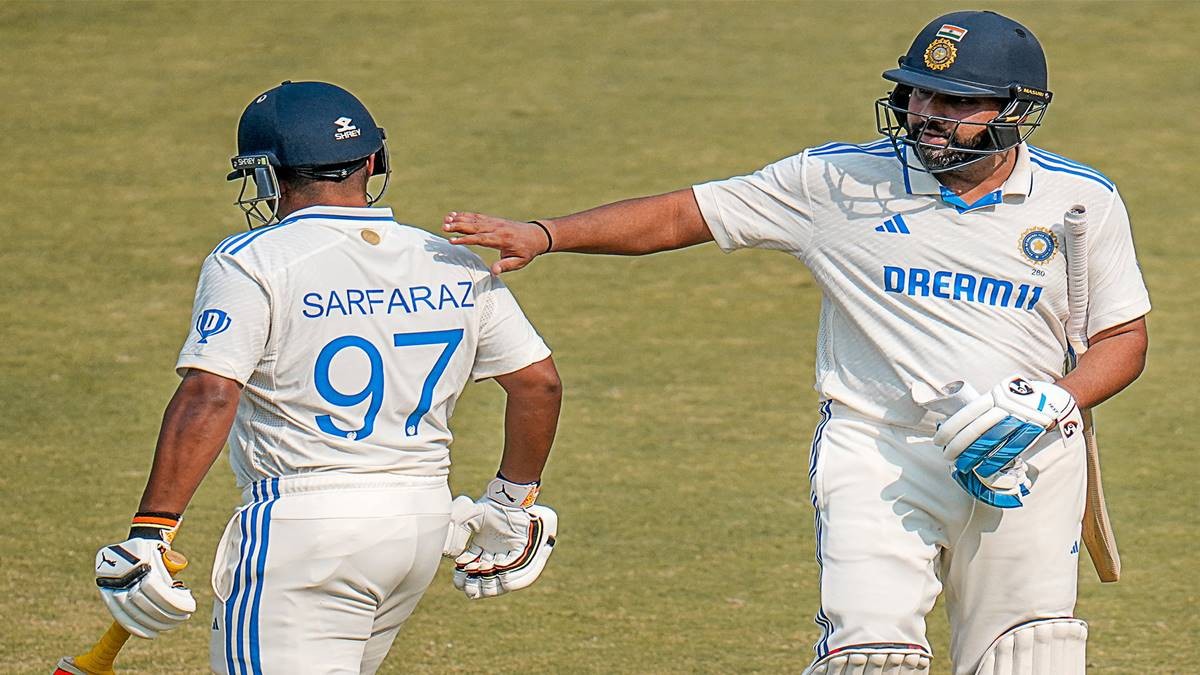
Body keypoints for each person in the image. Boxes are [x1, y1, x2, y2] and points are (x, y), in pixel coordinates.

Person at [443, 11, 1148, 675]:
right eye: (919, 94)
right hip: (880, 449)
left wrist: (1054, 400)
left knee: (1026, 655)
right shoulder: (836, 181)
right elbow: (687, 214)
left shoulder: (1081, 201)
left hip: (1026, 453)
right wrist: (547, 234)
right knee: (871, 656)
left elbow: (1122, 339)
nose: (928, 115)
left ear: (1017, 108)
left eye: (957, 102)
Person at [92, 80, 562, 674]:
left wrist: (151, 531)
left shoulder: (252, 259)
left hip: (304, 532)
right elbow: (539, 384)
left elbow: (211, 393)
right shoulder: (453, 260)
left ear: (266, 174)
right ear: (374, 162)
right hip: (420, 524)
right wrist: (512, 502)